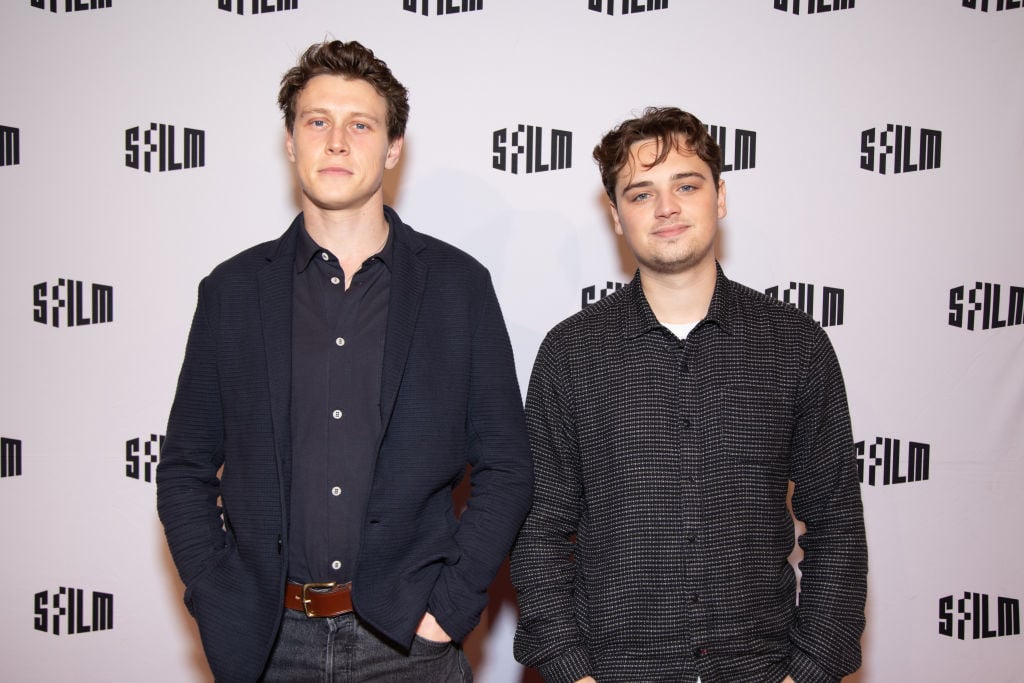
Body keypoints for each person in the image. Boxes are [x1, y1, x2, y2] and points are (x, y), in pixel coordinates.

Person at [156, 40, 532, 683]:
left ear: (392, 149)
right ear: (290, 141)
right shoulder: (232, 291)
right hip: (266, 646)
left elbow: (507, 465)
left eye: (361, 124)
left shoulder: (458, 286)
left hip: (409, 644)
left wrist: (449, 606)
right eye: (317, 121)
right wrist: (219, 599)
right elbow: (185, 469)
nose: (337, 141)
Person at [511, 107, 867, 683]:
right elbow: (540, 532)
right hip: (614, 670)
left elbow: (837, 524)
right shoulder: (570, 354)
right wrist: (570, 671)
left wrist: (810, 670)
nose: (667, 208)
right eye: (641, 193)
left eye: (686, 185)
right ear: (616, 215)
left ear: (720, 196)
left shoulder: (795, 344)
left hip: (763, 668)